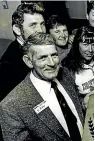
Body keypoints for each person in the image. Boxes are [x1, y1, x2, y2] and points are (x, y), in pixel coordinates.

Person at [0, 33, 84, 141]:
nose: (52, 63)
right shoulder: (11, 107)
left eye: (54, 55)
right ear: (29, 61)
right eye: (43, 57)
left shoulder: (66, 74)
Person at [0, 2, 46, 100]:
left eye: (42, 24)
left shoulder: (38, 48)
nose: (41, 30)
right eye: (33, 25)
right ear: (17, 29)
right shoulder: (8, 65)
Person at [62, 26, 94, 113]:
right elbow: (70, 101)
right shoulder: (68, 69)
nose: (90, 50)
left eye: (93, 44)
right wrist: (83, 102)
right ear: (77, 45)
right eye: (85, 45)